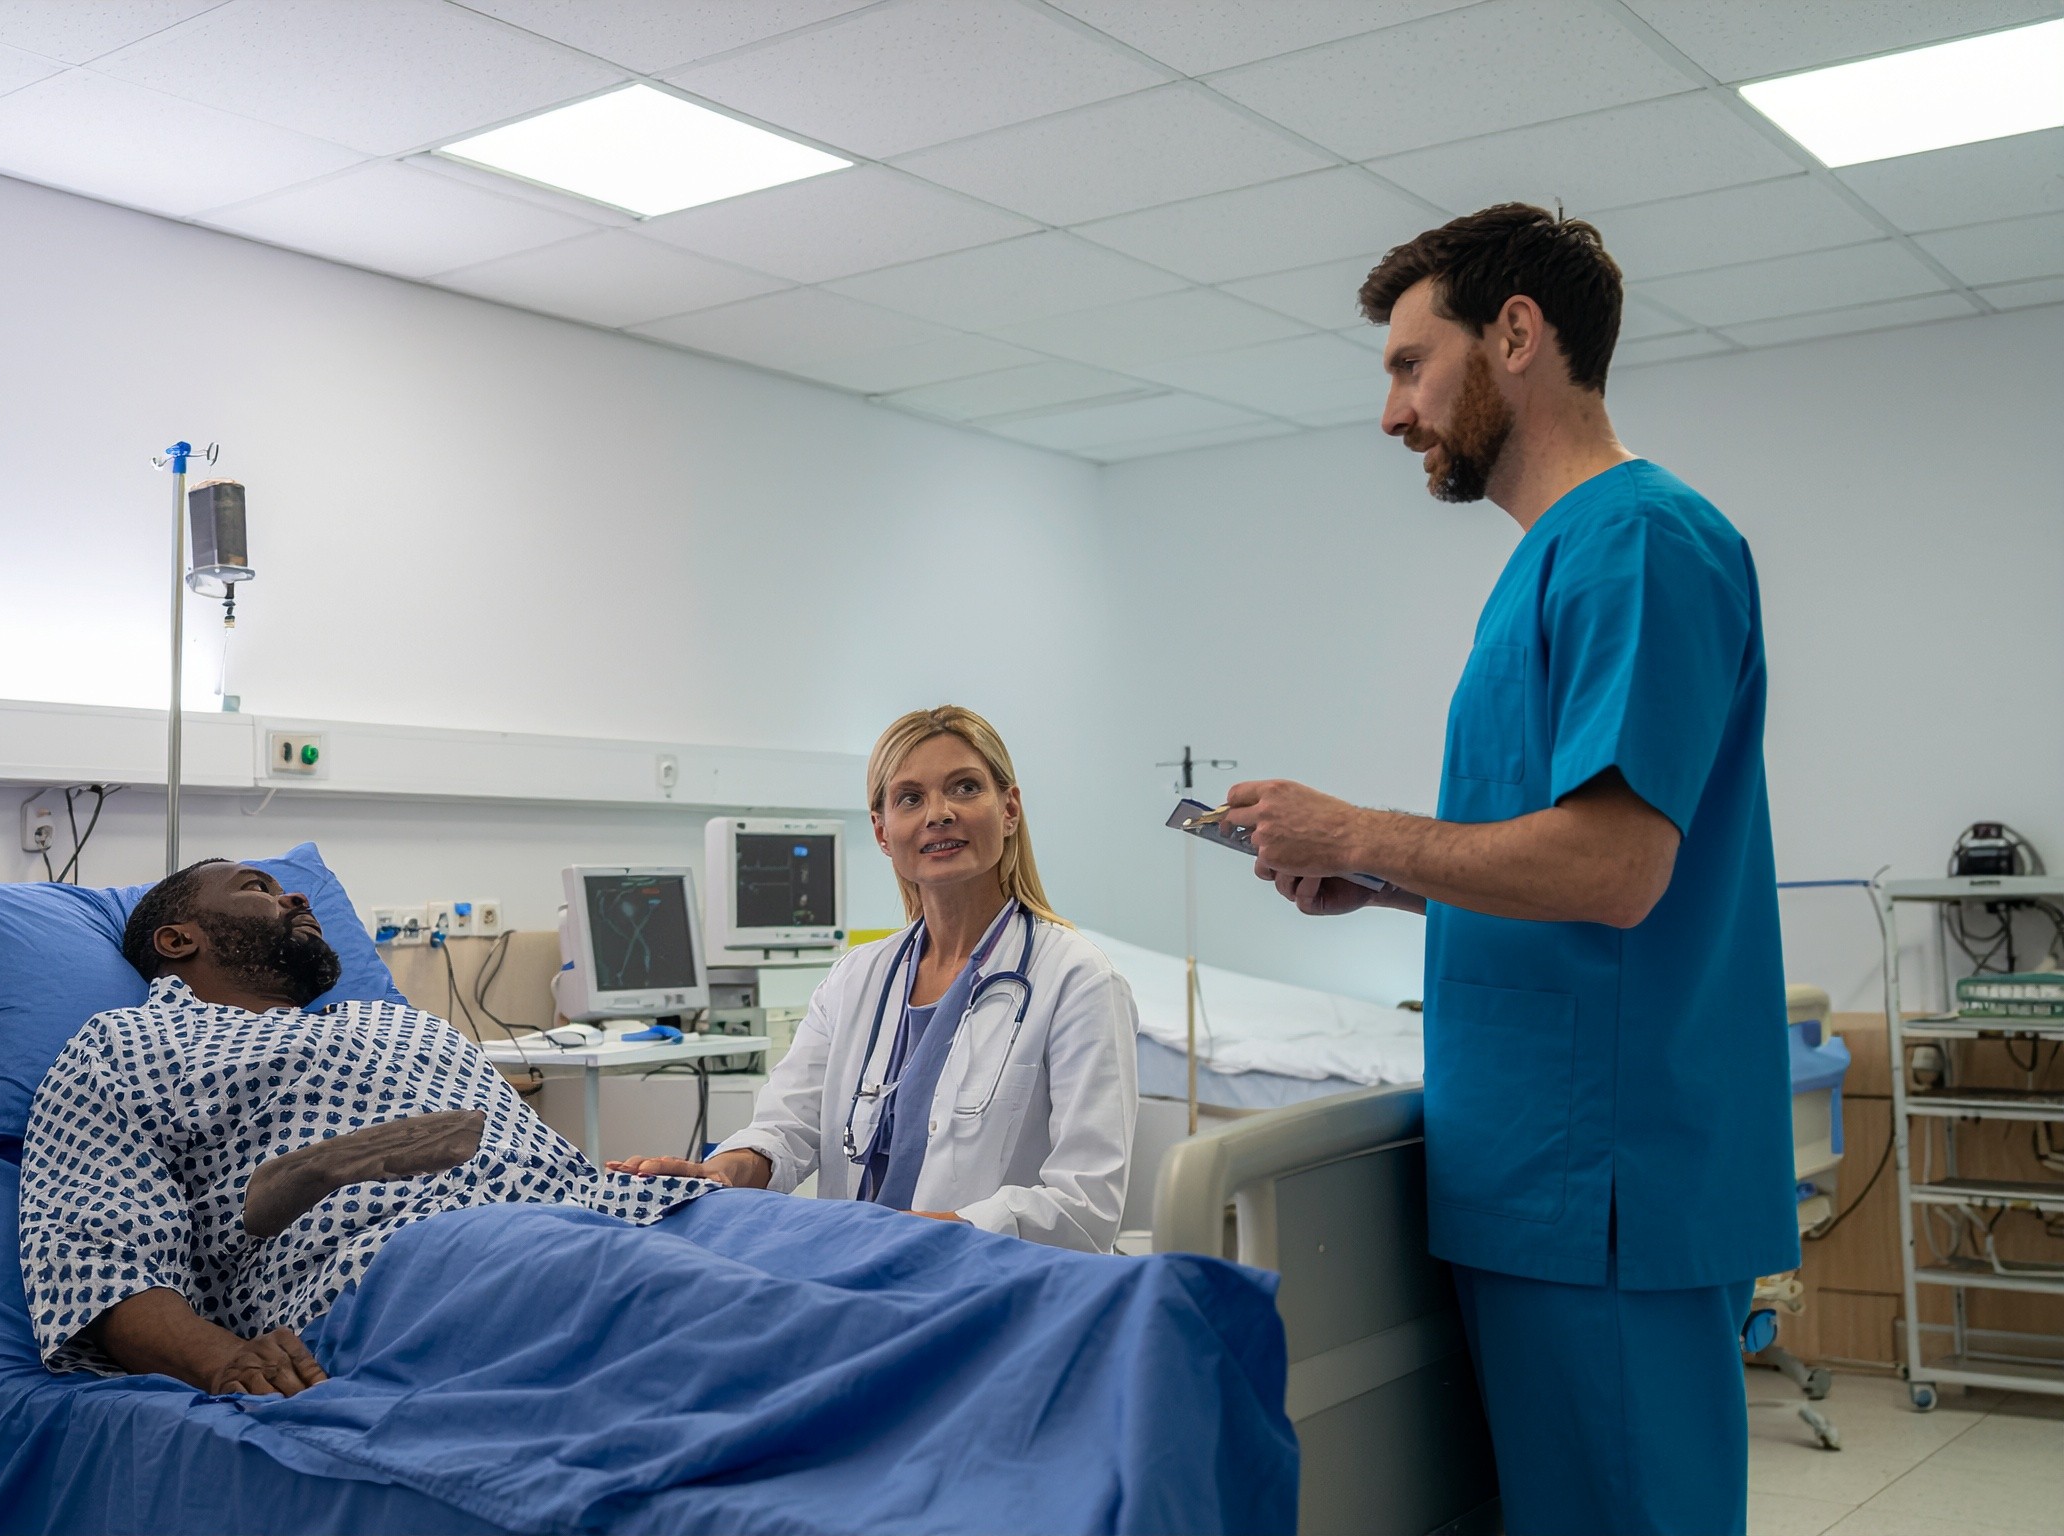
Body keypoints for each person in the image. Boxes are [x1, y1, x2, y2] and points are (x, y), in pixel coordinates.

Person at [1219, 204, 1793, 1535]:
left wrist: (1358, 830)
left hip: (1602, 1183)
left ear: (1516, 337)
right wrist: (1386, 881)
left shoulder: (1639, 542)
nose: (1393, 411)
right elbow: (1551, 864)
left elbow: (1615, 869)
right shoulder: (1551, 564)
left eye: (1411, 364)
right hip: (1536, 1171)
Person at [17, 858, 711, 1394]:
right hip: (409, 1259)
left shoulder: (402, 1020)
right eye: (260, 888)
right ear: (178, 939)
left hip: (629, 1214)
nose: (296, 897)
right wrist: (226, 1359)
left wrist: (626, 1183)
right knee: (748, 1326)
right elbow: (93, 1255)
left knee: (804, 1242)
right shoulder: (128, 1043)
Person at [614, 706, 1139, 1253]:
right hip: (856, 1274)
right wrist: (721, 1173)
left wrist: (920, 1236)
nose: (939, 814)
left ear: (1009, 809)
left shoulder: (1079, 981)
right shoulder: (854, 979)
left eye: (964, 788)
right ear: (883, 831)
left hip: (987, 1289)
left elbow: (1086, 1205)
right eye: (910, 798)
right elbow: (787, 1129)